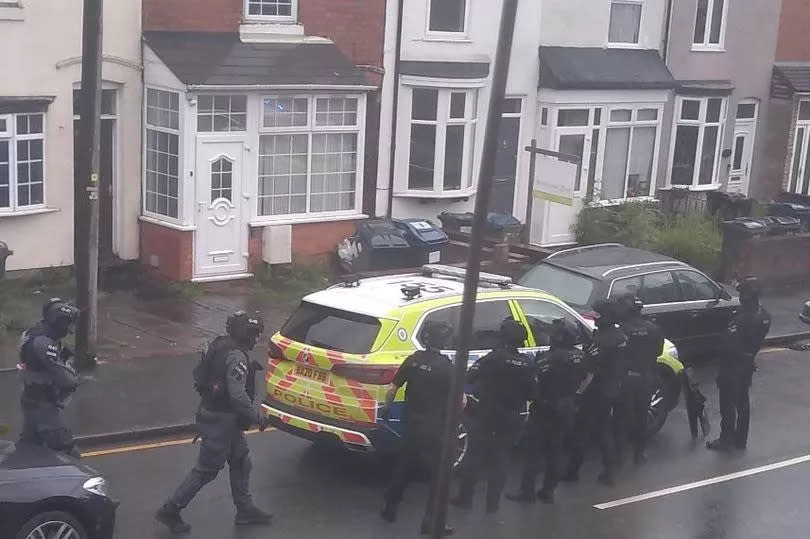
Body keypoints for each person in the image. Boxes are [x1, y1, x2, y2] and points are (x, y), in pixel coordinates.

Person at [156, 311, 271, 535]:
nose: (257, 339)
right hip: (222, 421)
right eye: (255, 334)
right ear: (246, 334)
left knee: (240, 460)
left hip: (216, 416)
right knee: (206, 470)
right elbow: (237, 396)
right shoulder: (237, 357)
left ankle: (245, 510)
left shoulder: (219, 344)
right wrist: (258, 418)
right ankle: (171, 509)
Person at [380, 320, 457, 536]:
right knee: (439, 476)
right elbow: (458, 401)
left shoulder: (412, 360)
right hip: (435, 429)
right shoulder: (447, 367)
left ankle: (390, 508)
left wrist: (387, 408)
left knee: (403, 465)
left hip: (411, 424)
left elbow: (392, 388)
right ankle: (432, 521)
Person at [450, 319, 534, 514]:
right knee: (501, 458)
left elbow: (470, 376)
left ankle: (465, 498)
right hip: (512, 416)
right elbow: (532, 393)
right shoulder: (527, 364)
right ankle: (492, 504)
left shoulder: (492, 358)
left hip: (486, 412)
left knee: (475, 455)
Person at [506, 318, 593, 504]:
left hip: (545, 408)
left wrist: (535, 398)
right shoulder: (580, 356)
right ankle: (548, 491)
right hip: (567, 406)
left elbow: (535, 382)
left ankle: (526, 491)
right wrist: (576, 394)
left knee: (534, 451)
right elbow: (588, 376)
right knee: (556, 450)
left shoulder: (547, 359)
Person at [564, 299, 628, 486]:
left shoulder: (602, 341)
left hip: (597, 391)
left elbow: (589, 373)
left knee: (582, 431)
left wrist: (578, 394)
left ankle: (572, 471)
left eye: (598, 314)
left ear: (607, 317)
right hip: (614, 388)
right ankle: (609, 470)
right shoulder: (620, 335)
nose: (594, 316)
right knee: (604, 430)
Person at [707, 277, 771, 451]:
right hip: (747, 363)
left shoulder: (744, 318)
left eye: (744, 293)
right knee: (743, 403)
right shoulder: (764, 314)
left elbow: (729, 343)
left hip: (732, 366)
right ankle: (740, 440)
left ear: (751, 295)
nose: (741, 296)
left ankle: (726, 438)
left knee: (727, 403)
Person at [18, 298, 81, 457]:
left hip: (33, 400)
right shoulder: (44, 343)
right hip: (44, 404)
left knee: (29, 451)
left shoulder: (34, 333)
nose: (69, 330)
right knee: (68, 452)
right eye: (68, 325)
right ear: (59, 322)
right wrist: (72, 375)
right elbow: (67, 381)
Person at [616, 294, 664, 465]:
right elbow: (658, 352)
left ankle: (619, 457)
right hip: (646, 378)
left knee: (622, 418)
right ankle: (639, 454)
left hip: (627, 379)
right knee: (642, 417)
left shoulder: (621, 330)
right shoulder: (654, 328)